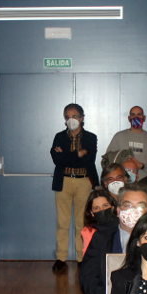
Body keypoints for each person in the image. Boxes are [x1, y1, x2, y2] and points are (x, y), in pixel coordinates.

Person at [77, 184, 147, 294]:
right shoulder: (102, 238)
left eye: (140, 206)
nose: (133, 211)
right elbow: (88, 278)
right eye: (127, 205)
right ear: (117, 210)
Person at [50, 103, 99, 273]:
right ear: (65, 119)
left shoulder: (91, 137)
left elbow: (88, 160)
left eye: (75, 116)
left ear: (82, 118)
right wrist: (77, 154)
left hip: (84, 181)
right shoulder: (59, 137)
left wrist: (66, 156)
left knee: (81, 223)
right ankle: (61, 258)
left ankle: (81, 258)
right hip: (63, 181)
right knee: (62, 222)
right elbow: (57, 160)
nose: (71, 119)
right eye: (67, 116)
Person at [101, 105, 147, 181]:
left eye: (139, 114)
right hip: (122, 181)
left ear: (144, 118)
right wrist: (123, 165)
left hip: (144, 181)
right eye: (133, 115)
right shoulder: (119, 136)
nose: (136, 117)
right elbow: (107, 160)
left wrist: (142, 166)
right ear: (129, 118)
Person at [80, 188, 117, 257]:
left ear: (112, 207)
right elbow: (88, 258)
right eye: (96, 208)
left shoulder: (122, 227)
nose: (102, 210)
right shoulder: (88, 231)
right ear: (91, 213)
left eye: (105, 205)